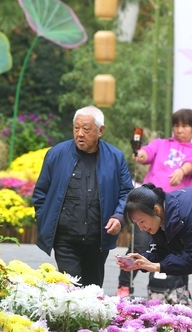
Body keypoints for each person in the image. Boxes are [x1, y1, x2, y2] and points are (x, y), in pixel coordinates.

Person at [33, 106, 133, 288]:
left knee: (93, 290)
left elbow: (127, 193)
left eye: (86, 129)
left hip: (98, 239)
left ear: (100, 130)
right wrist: (44, 219)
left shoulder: (115, 157)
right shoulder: (56, 154)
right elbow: (40, 193)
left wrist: (119, 217)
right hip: (65, 239)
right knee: (71, 289)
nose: (80, 134)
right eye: (76, 128)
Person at [117, 184, 192, 332]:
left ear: (156, 210)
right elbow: (161, 249)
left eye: (141, 221)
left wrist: (158, 266)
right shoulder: (164, 214)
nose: (141, 228)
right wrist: (141, 262)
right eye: (137, 223)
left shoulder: (185, 215)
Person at [117, 109, 192, 299]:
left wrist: (182, 171)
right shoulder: (161, 144)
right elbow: (147, 153)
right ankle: (124, 285)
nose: (179, 129)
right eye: (176, 125)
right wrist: (140, 154)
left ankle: (182, 288)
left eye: (185, 126)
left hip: (175, 214)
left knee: (180, 250)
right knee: (139, 244)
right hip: (147, 209)